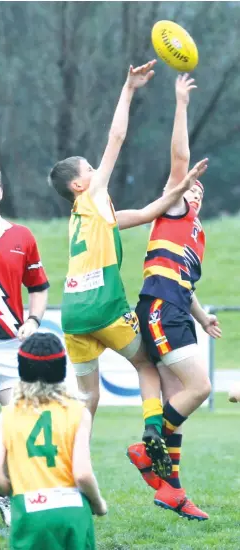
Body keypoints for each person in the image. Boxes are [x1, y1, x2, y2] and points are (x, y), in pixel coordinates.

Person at [48, 60, 209, 481]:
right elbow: (116, 136)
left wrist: (181, 186)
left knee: (89, 397)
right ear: (80, 185)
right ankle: (153, 431)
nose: (97, 172)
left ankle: (70, 464)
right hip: (104, 307)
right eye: (90, 169)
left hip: (72, 315)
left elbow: (148, 212)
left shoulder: (88, 216)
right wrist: (128, 89)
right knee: (147, 367)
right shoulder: (93, 194)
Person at [126, 74, 222, 520]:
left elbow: (188, 282)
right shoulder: (175, 204)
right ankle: (148, 451)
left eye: (199, 188)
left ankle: (172, 490)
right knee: (199, 387)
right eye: (187, 186)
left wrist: (202, 317)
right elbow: (180, 157)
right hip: (162, 310)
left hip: (176, 308)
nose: (193, 188)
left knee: (177, 397)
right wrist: (181, 103)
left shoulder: (195, 233)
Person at [0, 159, 49, 534]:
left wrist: (33, 322)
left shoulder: (22, 236)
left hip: (10, 349)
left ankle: (0, 492)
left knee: (20, 426)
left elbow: (38, 288)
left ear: (1, 191)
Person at [0, 332, 106, 550]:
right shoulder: (79, 412)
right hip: (72, 513)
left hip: (30, 513)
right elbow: (83, 474)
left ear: (23, 370)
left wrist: (17, 495)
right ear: (61, 370)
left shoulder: (9, 414)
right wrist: (98, 505)